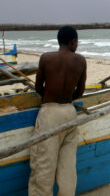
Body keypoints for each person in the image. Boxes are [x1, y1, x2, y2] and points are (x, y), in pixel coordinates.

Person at [28, 26, 87, 196]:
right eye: (77, 42)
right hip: (70, 113)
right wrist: (67, 98)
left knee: (43, 166)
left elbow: (39, 87)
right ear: (73, 41)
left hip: (49, 114)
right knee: (68, 166)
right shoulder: (81, 61)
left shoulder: (46, 58)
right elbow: (80, 92)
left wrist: (50, 97)